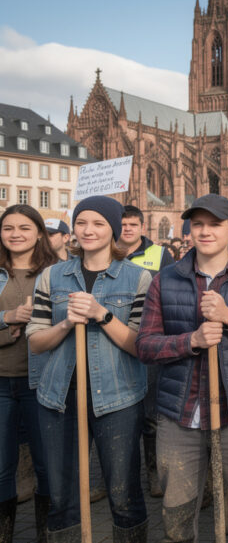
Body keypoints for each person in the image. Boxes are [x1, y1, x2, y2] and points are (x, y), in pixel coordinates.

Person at [136, 194, 228, 543]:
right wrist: (191, 341)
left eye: (215, 224)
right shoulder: (165, 280)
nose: (204, 231)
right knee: (176, 524)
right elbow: (145, 346)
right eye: (198, 224)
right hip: (180, 416)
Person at [26, 196, 152, 543]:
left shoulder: (139, 279)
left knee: (124, 495)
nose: (88, 230)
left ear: (113, 230)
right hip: (58, 398)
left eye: (98, 223)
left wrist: (102, 314)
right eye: (81, 222)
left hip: (118, 397)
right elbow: (35, 342)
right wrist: (66, 323)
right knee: (61, 498)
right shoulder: (51, 277)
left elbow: (140, 346)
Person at [0, 206, 59, 543]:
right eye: (8, 228)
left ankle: (46, 535)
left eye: (24, 227)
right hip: (1, 381)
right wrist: (8, 317)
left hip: (43, 383)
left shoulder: (56, 273)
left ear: (39, 233)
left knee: (46, 468)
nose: (15, 234)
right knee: (1, 469)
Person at [119, 204, 177, 498]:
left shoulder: (159, 254)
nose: (127, 229)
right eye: (123, 224)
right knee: (120, 413)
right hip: (114, 340)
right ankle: (120, 478)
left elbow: (170, 291)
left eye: (132, 224)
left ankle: (154, 473)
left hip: (150, 340)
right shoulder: (106, 253)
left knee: (151, 412)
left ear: (142, 227)